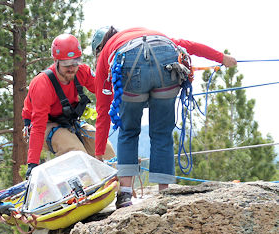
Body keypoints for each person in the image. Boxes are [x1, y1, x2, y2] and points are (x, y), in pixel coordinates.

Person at [91, 26, 237, 208]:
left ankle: (126, 194)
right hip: (165, 57)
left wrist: (98, 153)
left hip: (129, 63)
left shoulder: (107, 52)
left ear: (99, 48)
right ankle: (164, 193)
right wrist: (222, 58)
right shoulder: (143, 33)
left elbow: (103, 110)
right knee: (162, 133)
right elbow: (190, 46)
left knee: (129, 130)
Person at [22, 33, 115, 178]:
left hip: (69, 122)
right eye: (66, 64)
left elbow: (103, 90)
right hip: (45, 124)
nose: (71, 68)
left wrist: (125, 101)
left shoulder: (82, 71)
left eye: (75, 62)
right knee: (76, 152)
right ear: (56, 60)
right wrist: (32, 164)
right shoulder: (42, 84)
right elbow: (38, 127)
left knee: (104, 148)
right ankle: (83, 187)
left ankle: (119, 189)